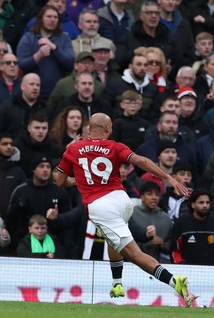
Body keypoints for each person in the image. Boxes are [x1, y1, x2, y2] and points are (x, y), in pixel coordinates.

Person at [53, 113, 195, 306]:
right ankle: (117, 283)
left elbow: (59, 181)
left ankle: (174, 281)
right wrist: (168, 178)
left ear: (88, 130)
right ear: (108, 129)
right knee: (113, 238)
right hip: (122, 200)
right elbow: (141, 161)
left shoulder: (73, 149)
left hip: (101, 206)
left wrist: (80, 180)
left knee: (134, 254)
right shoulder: (115, 146)